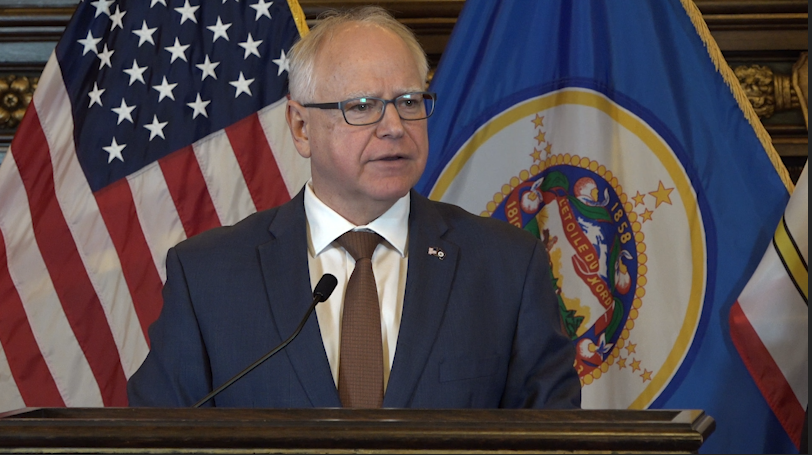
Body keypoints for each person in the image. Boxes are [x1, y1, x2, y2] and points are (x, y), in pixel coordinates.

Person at [127, 6, 580, 409]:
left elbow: (554, 440)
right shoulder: (208, 275)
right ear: (301, 127)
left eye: (408, 101)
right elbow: (156, 440)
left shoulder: (507, 266)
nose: (394, 127)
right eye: (362, 107)